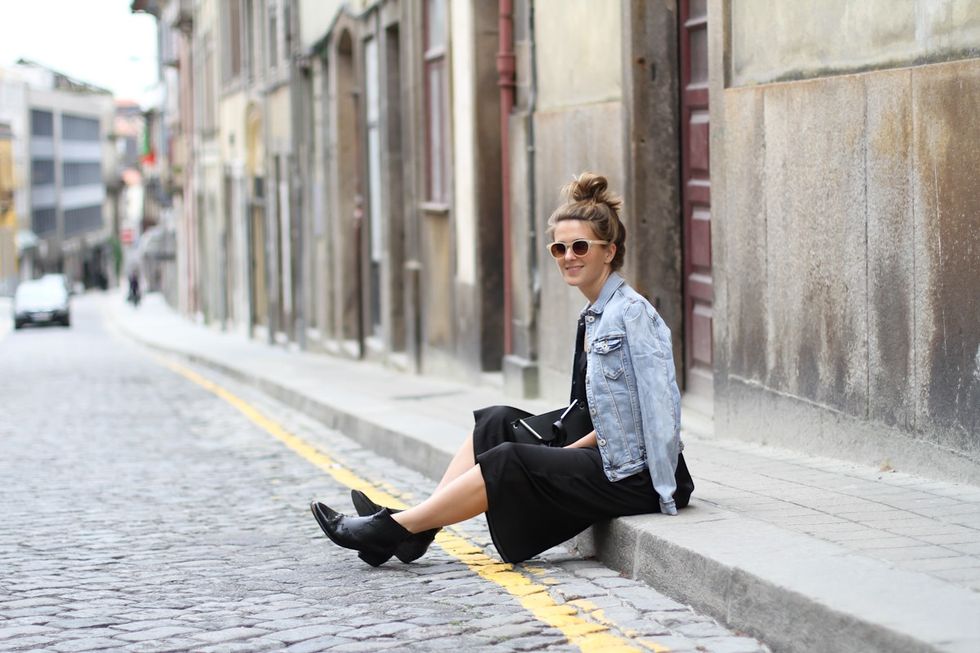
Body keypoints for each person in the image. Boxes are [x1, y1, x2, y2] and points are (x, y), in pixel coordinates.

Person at [311, 172, 694, 566]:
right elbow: (589, 408)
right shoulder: (596, 314)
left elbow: (652, 413)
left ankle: (393, 528)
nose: (568, 257)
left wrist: (659, 490)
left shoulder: (632, 315)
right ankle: (418, 529)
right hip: (615, 461)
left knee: (510, 457)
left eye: (580, 246)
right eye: (558, 249)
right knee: (495, 422)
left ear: (609, 251)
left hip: (637, 476)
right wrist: (555, 446)